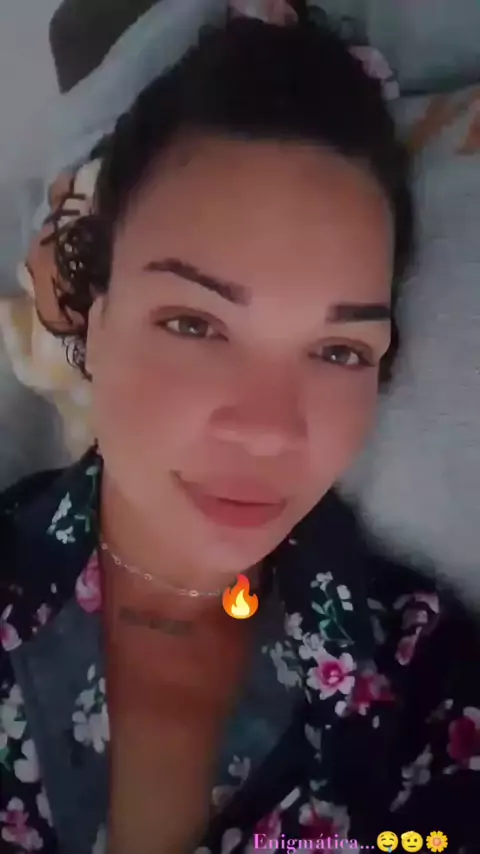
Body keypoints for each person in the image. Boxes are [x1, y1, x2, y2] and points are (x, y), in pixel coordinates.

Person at [1, 14, 479, 854]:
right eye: (194, 323)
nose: (267, 431)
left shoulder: (429, 690)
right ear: (96, 325)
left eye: (338, 350)